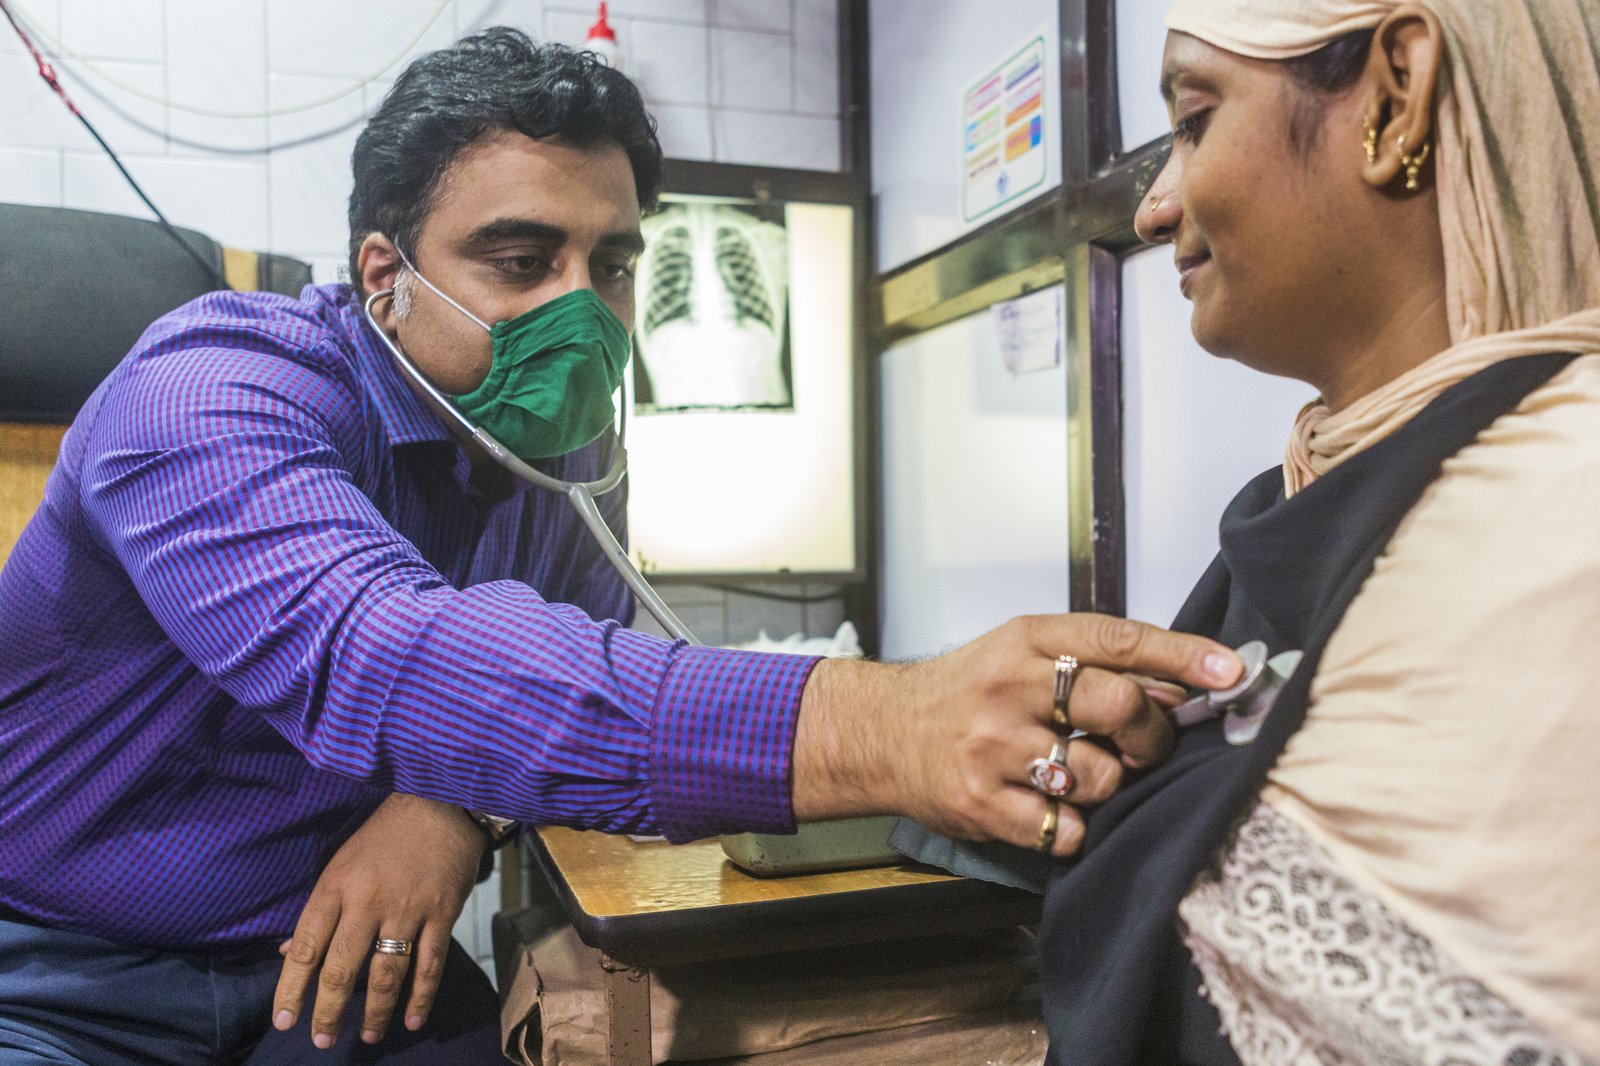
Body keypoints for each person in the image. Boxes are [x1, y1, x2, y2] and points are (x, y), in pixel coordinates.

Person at [0, 28, 1242, 1065]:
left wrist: (445, 809)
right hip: (56, 969)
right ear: (384, 274)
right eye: (519, 260)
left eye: (612, 265)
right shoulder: (211, 394)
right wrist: (893, 723)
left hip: (326, 962)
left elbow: (567, 656)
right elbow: (389, 658)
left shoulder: (567, 449)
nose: (580, 314)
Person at [1030, 2, 1600, 1064]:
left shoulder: (1568, 521)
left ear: (1394, 92)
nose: (1153, 210)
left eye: (1195, 121)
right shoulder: (1302, 503)